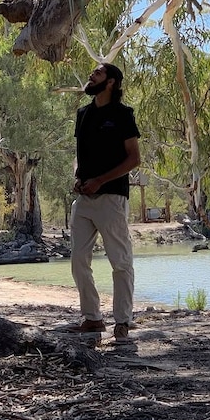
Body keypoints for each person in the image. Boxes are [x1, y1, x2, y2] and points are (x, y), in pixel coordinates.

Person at [68, 63, 141, 344]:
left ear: (111, 82)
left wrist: (101, 180)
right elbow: (79, 155)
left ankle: (122, 322)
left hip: (112, 198)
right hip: (84, 199)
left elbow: (134, 158)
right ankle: (92, 317)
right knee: (78, 260)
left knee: (120, 262)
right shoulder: (83, 114)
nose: (91, 75)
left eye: (97, 73)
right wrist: (78, 177)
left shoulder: (123, 115)